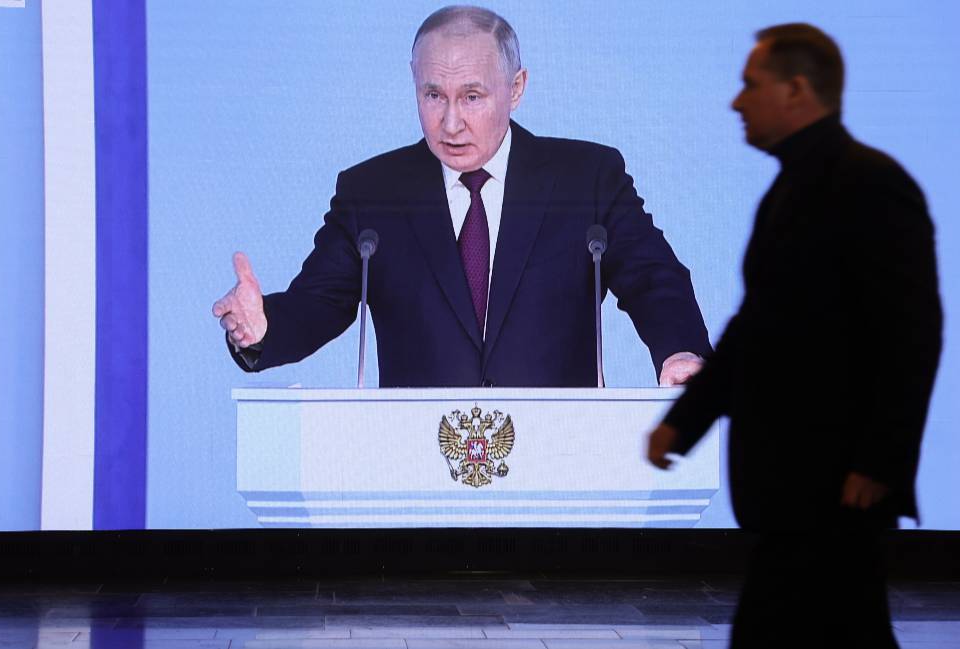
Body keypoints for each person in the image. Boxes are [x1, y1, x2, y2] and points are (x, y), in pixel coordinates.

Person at [212, 5, 712, 387]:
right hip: (415, 466)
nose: (450, 123)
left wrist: (680, 352)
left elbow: (653, 278)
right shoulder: (372, 193)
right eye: (433, 95)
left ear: (516, 88)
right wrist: (263, 328)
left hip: (560, 459)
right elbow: (318, 303)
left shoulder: (588, 179)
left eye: (472, 97)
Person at [646, 24, 942, 649]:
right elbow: (757, 328)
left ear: (797, 91)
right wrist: (684, 423)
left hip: (837, 486)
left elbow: (912, 334)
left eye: (750, 85)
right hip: (791, 489)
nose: (736, 101)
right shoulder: (789, 188)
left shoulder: (871, 184)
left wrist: (880, 462)